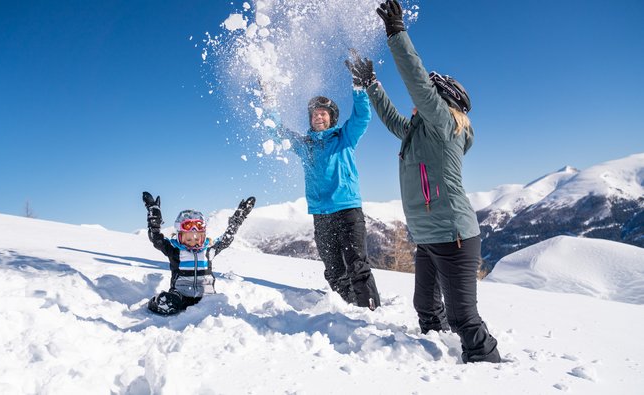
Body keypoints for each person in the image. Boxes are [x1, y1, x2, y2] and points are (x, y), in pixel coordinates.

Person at [359, 0, 501, 362]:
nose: (418, 101)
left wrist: (396, 33)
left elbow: (417, 80)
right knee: (425, 306)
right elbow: (392, 119)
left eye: (429, 95)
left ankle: (492, 371)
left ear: (442, 100)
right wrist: (371, 85)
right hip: (428, 237)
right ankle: (437, 361)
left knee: (462, 318)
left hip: (454, 237)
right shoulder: (419, 133)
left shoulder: (443, 126)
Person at [261, 58, 381, 310]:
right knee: (335, 270)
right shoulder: (306, 146)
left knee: (357, 266)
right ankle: (349, 311)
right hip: (321, 214)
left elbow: (362, 116)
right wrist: (269, 101)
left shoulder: (344, 137)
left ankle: (371, 314)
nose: (318, 116)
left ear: (332, 117)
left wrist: (359, 87)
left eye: (323, 113)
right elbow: (277, 132)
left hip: (347, 210)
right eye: (314, 113)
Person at [142, 191, 255, 315]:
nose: (193, 243)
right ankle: (156, 302)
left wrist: (236, 221)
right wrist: (154, 220)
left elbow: (226, 239)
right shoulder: (174, 250)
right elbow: (156, 239)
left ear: (204, 236)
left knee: (222, 307)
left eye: (198, 239)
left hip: (206, 298)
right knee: (167, 302)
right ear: (179, 237)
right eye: (188, 239)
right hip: (180, 297)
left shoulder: (208, 250)